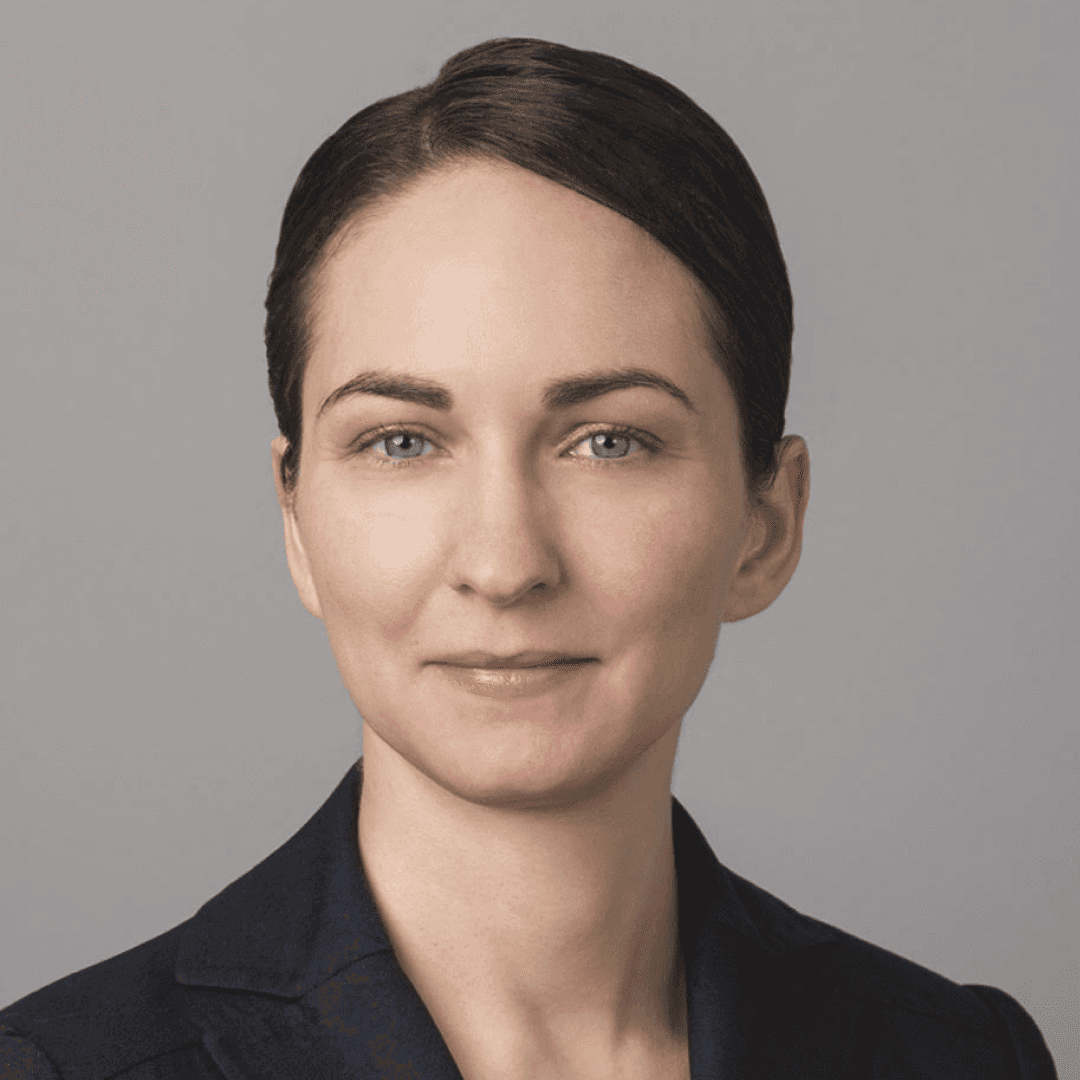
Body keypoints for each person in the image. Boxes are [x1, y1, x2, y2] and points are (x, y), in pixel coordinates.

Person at [0, 36, 1057, 1080]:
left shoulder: (960, 1057)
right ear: (297, 521)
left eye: (611, 442)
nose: (505, 565)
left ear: (764, 526)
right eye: (402, 442)